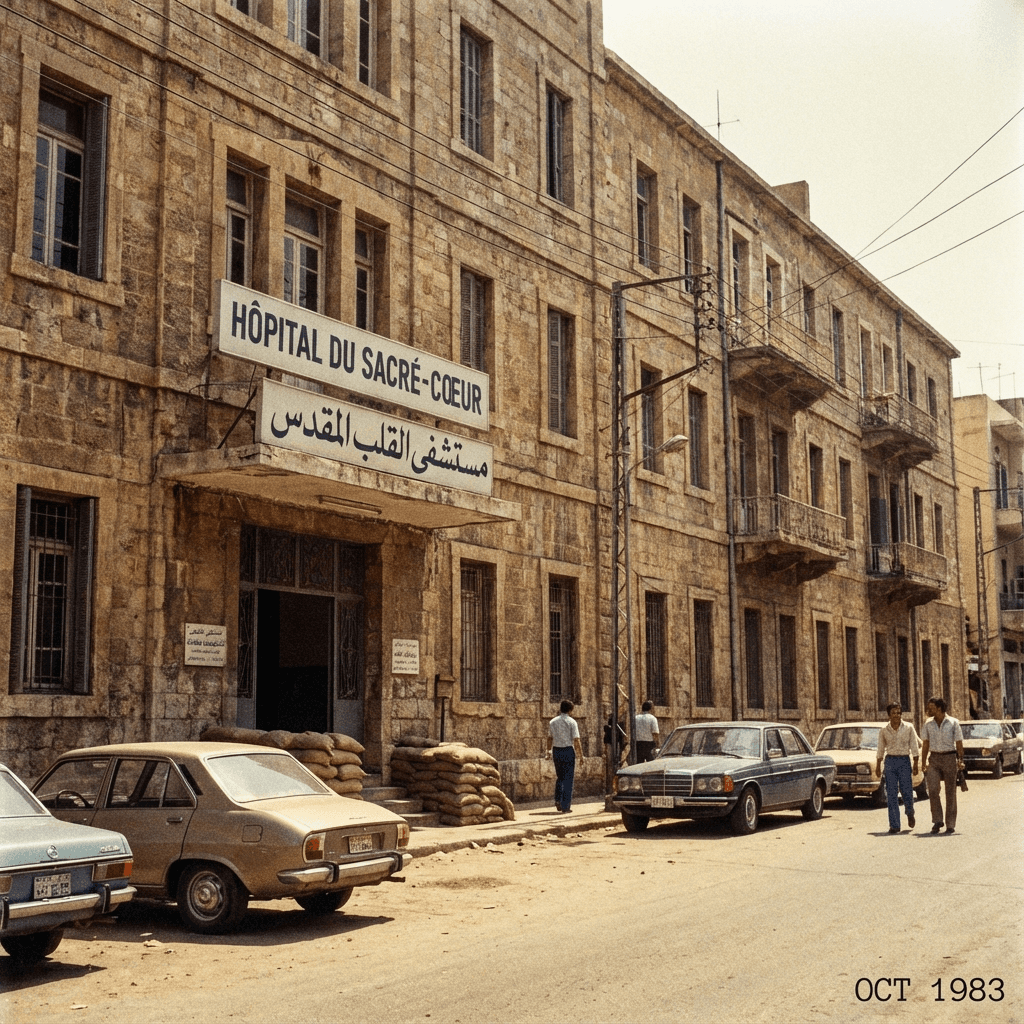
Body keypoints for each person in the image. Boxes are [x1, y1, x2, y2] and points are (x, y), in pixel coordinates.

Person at [920, 696, 965, 834]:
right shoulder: (928, 724)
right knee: (932, 789)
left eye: (931, 708)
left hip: (949, 757)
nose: (928, 710)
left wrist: (960, 760)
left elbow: (958, 743)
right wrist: (923, 762)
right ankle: (937, 820)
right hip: (934, 758)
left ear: (939, 708)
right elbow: (925, 744)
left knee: (950, 792)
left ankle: (950, 824)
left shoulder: (953, 723)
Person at [874, 702, 920, 833]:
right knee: (891, 793)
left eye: (899, 713)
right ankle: (894, 824)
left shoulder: (909, 727)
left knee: (907, 791)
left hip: (904, 760)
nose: (896, 716)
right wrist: (878, 765)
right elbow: (880, 749)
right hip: (890, 761)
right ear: (889, 715)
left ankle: (910, 813)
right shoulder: (884, 730)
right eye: (893, 713)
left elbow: (914, 747)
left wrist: (915, 763)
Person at [546, 699, 583, 813]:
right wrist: (581, 756)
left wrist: (548, 751)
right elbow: (576, 740)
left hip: (556, 751)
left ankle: (558, 799)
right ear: (570, 710)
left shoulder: (553, 722)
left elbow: (549, 738)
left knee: (560, 777)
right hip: (568, 750)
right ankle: (565, 806)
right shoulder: (572, 722)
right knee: (568, 779)